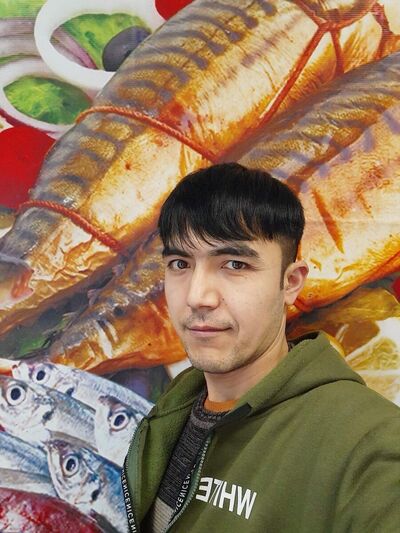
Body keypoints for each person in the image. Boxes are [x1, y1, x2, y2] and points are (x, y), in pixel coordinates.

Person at [122, 162, 400, 533]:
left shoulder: (371, 445)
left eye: (234, 264)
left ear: (291, 283)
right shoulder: (171, 409)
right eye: (180, 263)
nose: (197, 296)